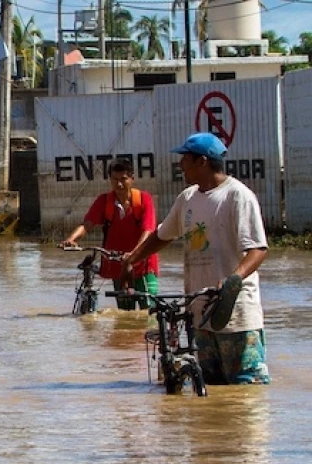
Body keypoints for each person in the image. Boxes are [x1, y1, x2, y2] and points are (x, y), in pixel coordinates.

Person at [123, 132, 270, 385]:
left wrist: (234, 278)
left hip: (235, 312)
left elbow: (258, 249)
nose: (180, 165)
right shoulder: (187, 198)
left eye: (185, 159)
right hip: (200, 313)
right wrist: (133, 259)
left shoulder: (237, 196)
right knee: (210, 387)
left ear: (202, 161)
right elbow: (162, 235)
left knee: (246, 387)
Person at [60, 158, 160, 310]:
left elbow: (148, 230)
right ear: (110, 179)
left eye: (123, 179)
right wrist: (71, 239)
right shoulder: (104, 201)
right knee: (125, 315)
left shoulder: (143, 200)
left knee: (150, 311)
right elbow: (87, 224)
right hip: (117, 265)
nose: (119, 184)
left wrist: (134, 254)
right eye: (115, 179)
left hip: (143, 265)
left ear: (132, 179)